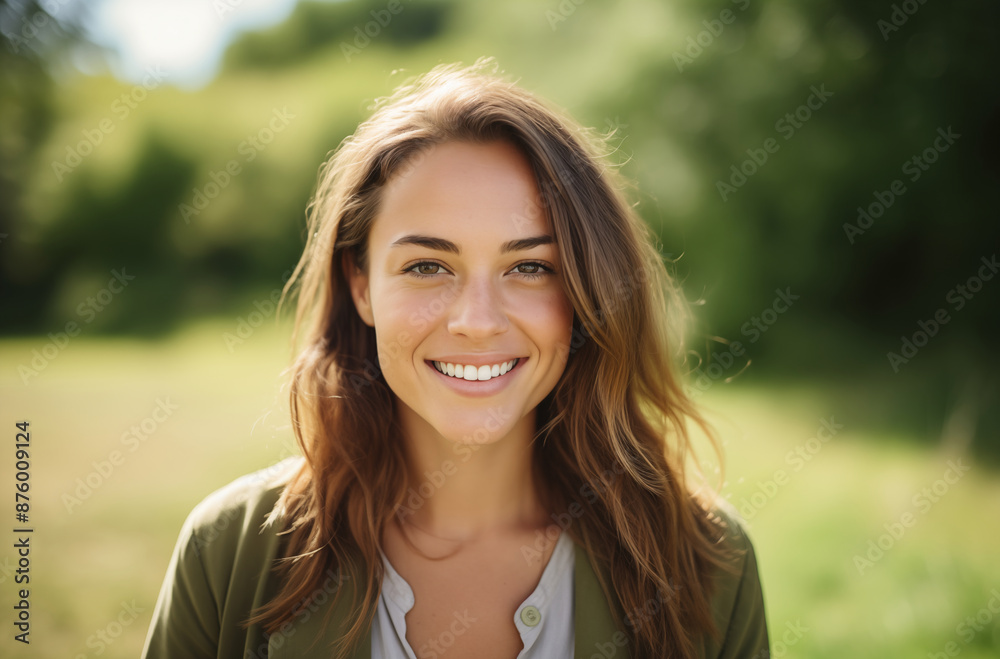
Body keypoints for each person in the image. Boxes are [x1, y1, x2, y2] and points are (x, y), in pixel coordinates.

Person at [141, 58, 769, 659]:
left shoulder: (708, 559)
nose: (476, 321)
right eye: (427, 266)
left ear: (586, 290)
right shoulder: (228, 550)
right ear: (361, 285)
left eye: (529, 267)